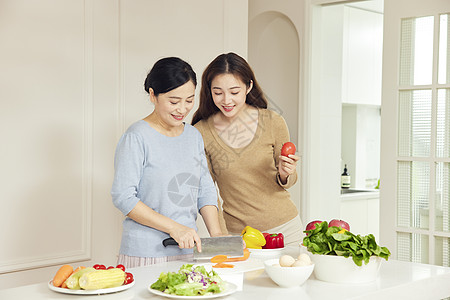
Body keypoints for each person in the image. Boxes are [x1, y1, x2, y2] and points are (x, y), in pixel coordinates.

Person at [111, 57, 223, 268]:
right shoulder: (137, 137)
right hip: (145, 253)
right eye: (174, 101)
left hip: (188, 250)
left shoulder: (193, 136)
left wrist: (216, 233)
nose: (182, 109)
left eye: (189, 100)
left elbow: (204, 189)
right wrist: (175, 228)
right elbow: (123, 196)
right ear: (153, 95)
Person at [191, 52, 303, 246]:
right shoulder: (200, 132)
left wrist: (286, 173)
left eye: (234, 92)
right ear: (209, 91)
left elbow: (287, 180)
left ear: (248, 87)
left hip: (285, 230)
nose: (226, 100)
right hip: (239, 235)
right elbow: (207, 191)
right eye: (218, 92)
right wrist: (221, 235)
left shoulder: (273, 122)